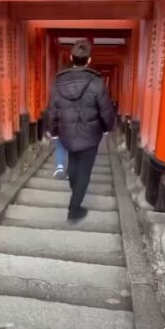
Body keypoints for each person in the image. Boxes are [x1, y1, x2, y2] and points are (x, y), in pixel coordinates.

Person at [48, 40, 115, 222]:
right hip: (90, 136)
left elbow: (52, 110)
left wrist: (53, 131)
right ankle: (74, 210)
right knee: (84, 172)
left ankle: (74, 185)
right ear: (89, 59)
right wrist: (108, 128)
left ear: (71, 58)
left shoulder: (58, 82)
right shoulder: (97, 82)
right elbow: (106, 110)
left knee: (74, 165)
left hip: (67, 135)